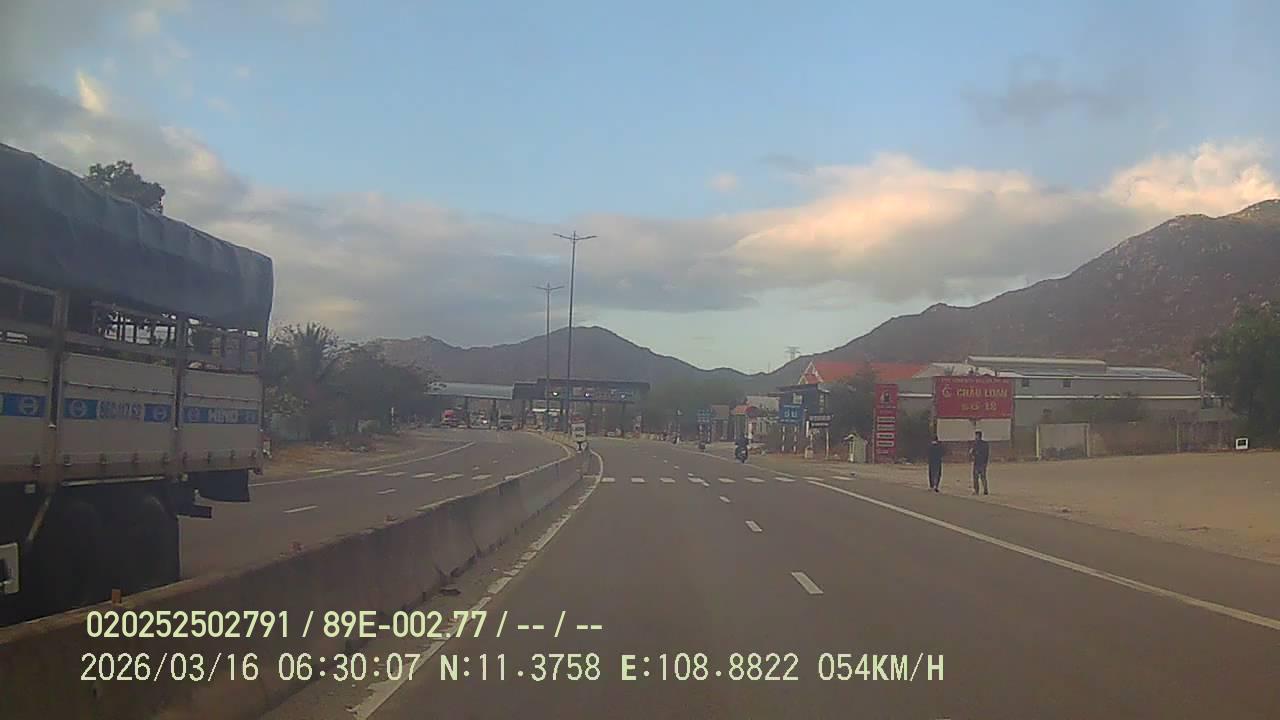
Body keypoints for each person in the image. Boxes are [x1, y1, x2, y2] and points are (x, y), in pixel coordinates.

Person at [970, 430, 990, 495]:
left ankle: (977, 490)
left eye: (976, 436)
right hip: (981, 462)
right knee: (982, 477)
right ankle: (984, 489)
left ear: (978, 436)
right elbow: (987, 454)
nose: (975, 437)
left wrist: (973, 453)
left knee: (977, 477)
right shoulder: (984, 444)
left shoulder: (976, 444)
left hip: (978, 462)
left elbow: (973, 453)